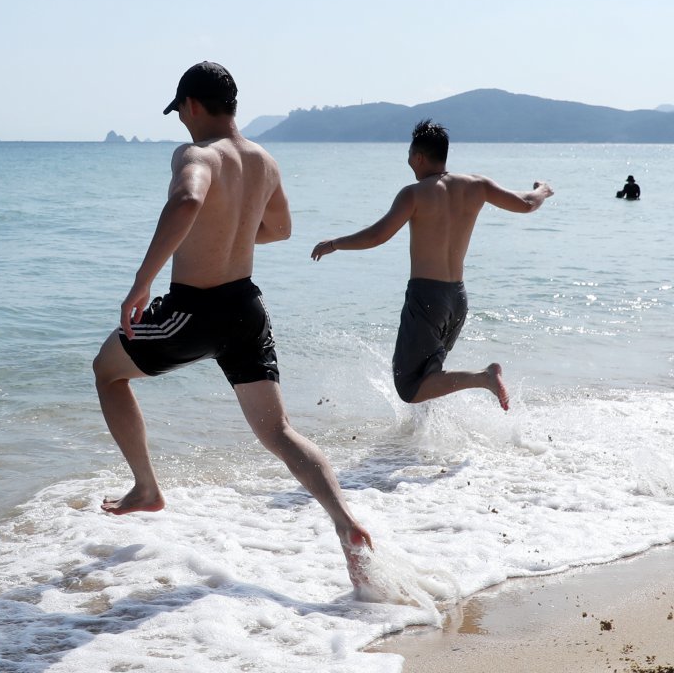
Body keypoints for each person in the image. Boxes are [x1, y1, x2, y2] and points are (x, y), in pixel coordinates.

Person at [92, 61, 373, 581]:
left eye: (180, 111)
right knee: (280, 430)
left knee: (107, 370)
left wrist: (142, 280)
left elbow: (188, 197)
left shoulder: (195, 153)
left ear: (192, 106)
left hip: (194, 310)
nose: (181, 122)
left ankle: (147, 487)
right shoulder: (264, 160)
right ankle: (346, 521)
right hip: (247, 308)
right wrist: (231, 235)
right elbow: (281, 229)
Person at [310, 119, 553, 411]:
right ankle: (422, 438)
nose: (407, 159)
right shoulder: (477, 185)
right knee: (428, 376)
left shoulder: (414, 193)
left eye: (409, 154)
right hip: (457, 299)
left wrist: (335, 243)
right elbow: (526, 203)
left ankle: (485, 378)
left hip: (427, 298)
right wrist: (542, 189)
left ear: (419, 157)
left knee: (408, 387)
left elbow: (377, 236)